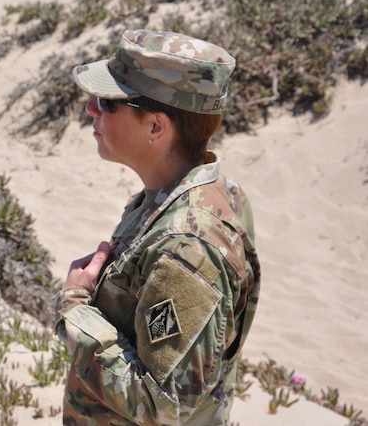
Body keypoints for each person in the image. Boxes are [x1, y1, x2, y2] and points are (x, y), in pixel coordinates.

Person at [56, 29, 261, 425]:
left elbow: (161, 406)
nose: (90, 110)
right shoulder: (182, 194)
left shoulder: (187, 248)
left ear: (155, 127)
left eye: (108, 103)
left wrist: (76, 308)